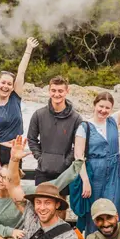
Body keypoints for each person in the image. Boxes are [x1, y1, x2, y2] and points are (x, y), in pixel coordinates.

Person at [72, 91, 120, 236]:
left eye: (107, 108)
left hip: (115, 172)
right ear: (94, 105)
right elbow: (78, 156)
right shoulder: (84, 127)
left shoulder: (113, 120)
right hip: (94, 173)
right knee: (95, 210)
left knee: (113, 207)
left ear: (111, 109)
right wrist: (85, 181)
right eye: (101, 106)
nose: (103, 110)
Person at [0, 37, 39, 188]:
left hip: (14, 152)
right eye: (3, 82)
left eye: (9, 84)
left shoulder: (15, 99)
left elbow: (21, 72)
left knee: (13, 192)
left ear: (13, 87)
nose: (6, 86)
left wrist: (28, 49)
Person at [27, 76, 83, 218]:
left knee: (60, 207)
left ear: (67, 91)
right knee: (40, 207)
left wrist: (66, 161)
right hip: (43, 170)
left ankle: (61, 238)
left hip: (64, 172)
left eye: (60, 91)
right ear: (48, 90)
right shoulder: (39, 114)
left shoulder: (76, 118)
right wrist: (40, 157)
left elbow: (79, 144)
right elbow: (32, 139)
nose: (56, 94)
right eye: (53, 90)